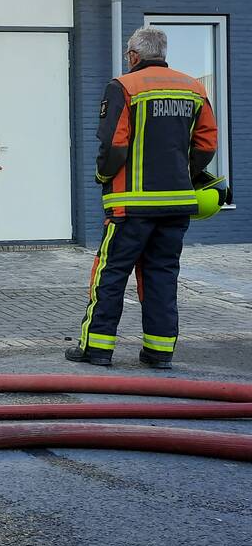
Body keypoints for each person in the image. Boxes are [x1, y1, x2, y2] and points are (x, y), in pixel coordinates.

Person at [67, 27, 217, 370]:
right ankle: (159, 352)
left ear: (134, 55)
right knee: (162, 275)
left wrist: (104, 176)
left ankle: (97, 349)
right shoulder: (194, 87)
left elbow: (114, 145)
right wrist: (184, 175)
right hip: (176, 204)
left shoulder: (124, 87)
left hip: (129, 205)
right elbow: (207, 144)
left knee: (111, 274)